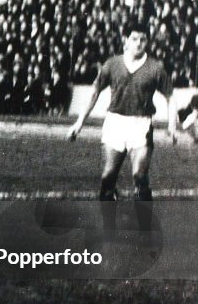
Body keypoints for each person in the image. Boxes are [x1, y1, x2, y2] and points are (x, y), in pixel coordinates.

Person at [67, 20, 179, 201]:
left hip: (141, 124)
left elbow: (170, 97)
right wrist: (79, 123)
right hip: (115, 123)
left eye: (143, 39)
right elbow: (94, 92)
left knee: (139, 176)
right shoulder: (112, 65)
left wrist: (172, 126)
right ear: (125, 40)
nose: (139, 43)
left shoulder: (155, 68)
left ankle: (144, 222)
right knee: (108, 177)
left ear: (147, 41)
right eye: (134, 39)